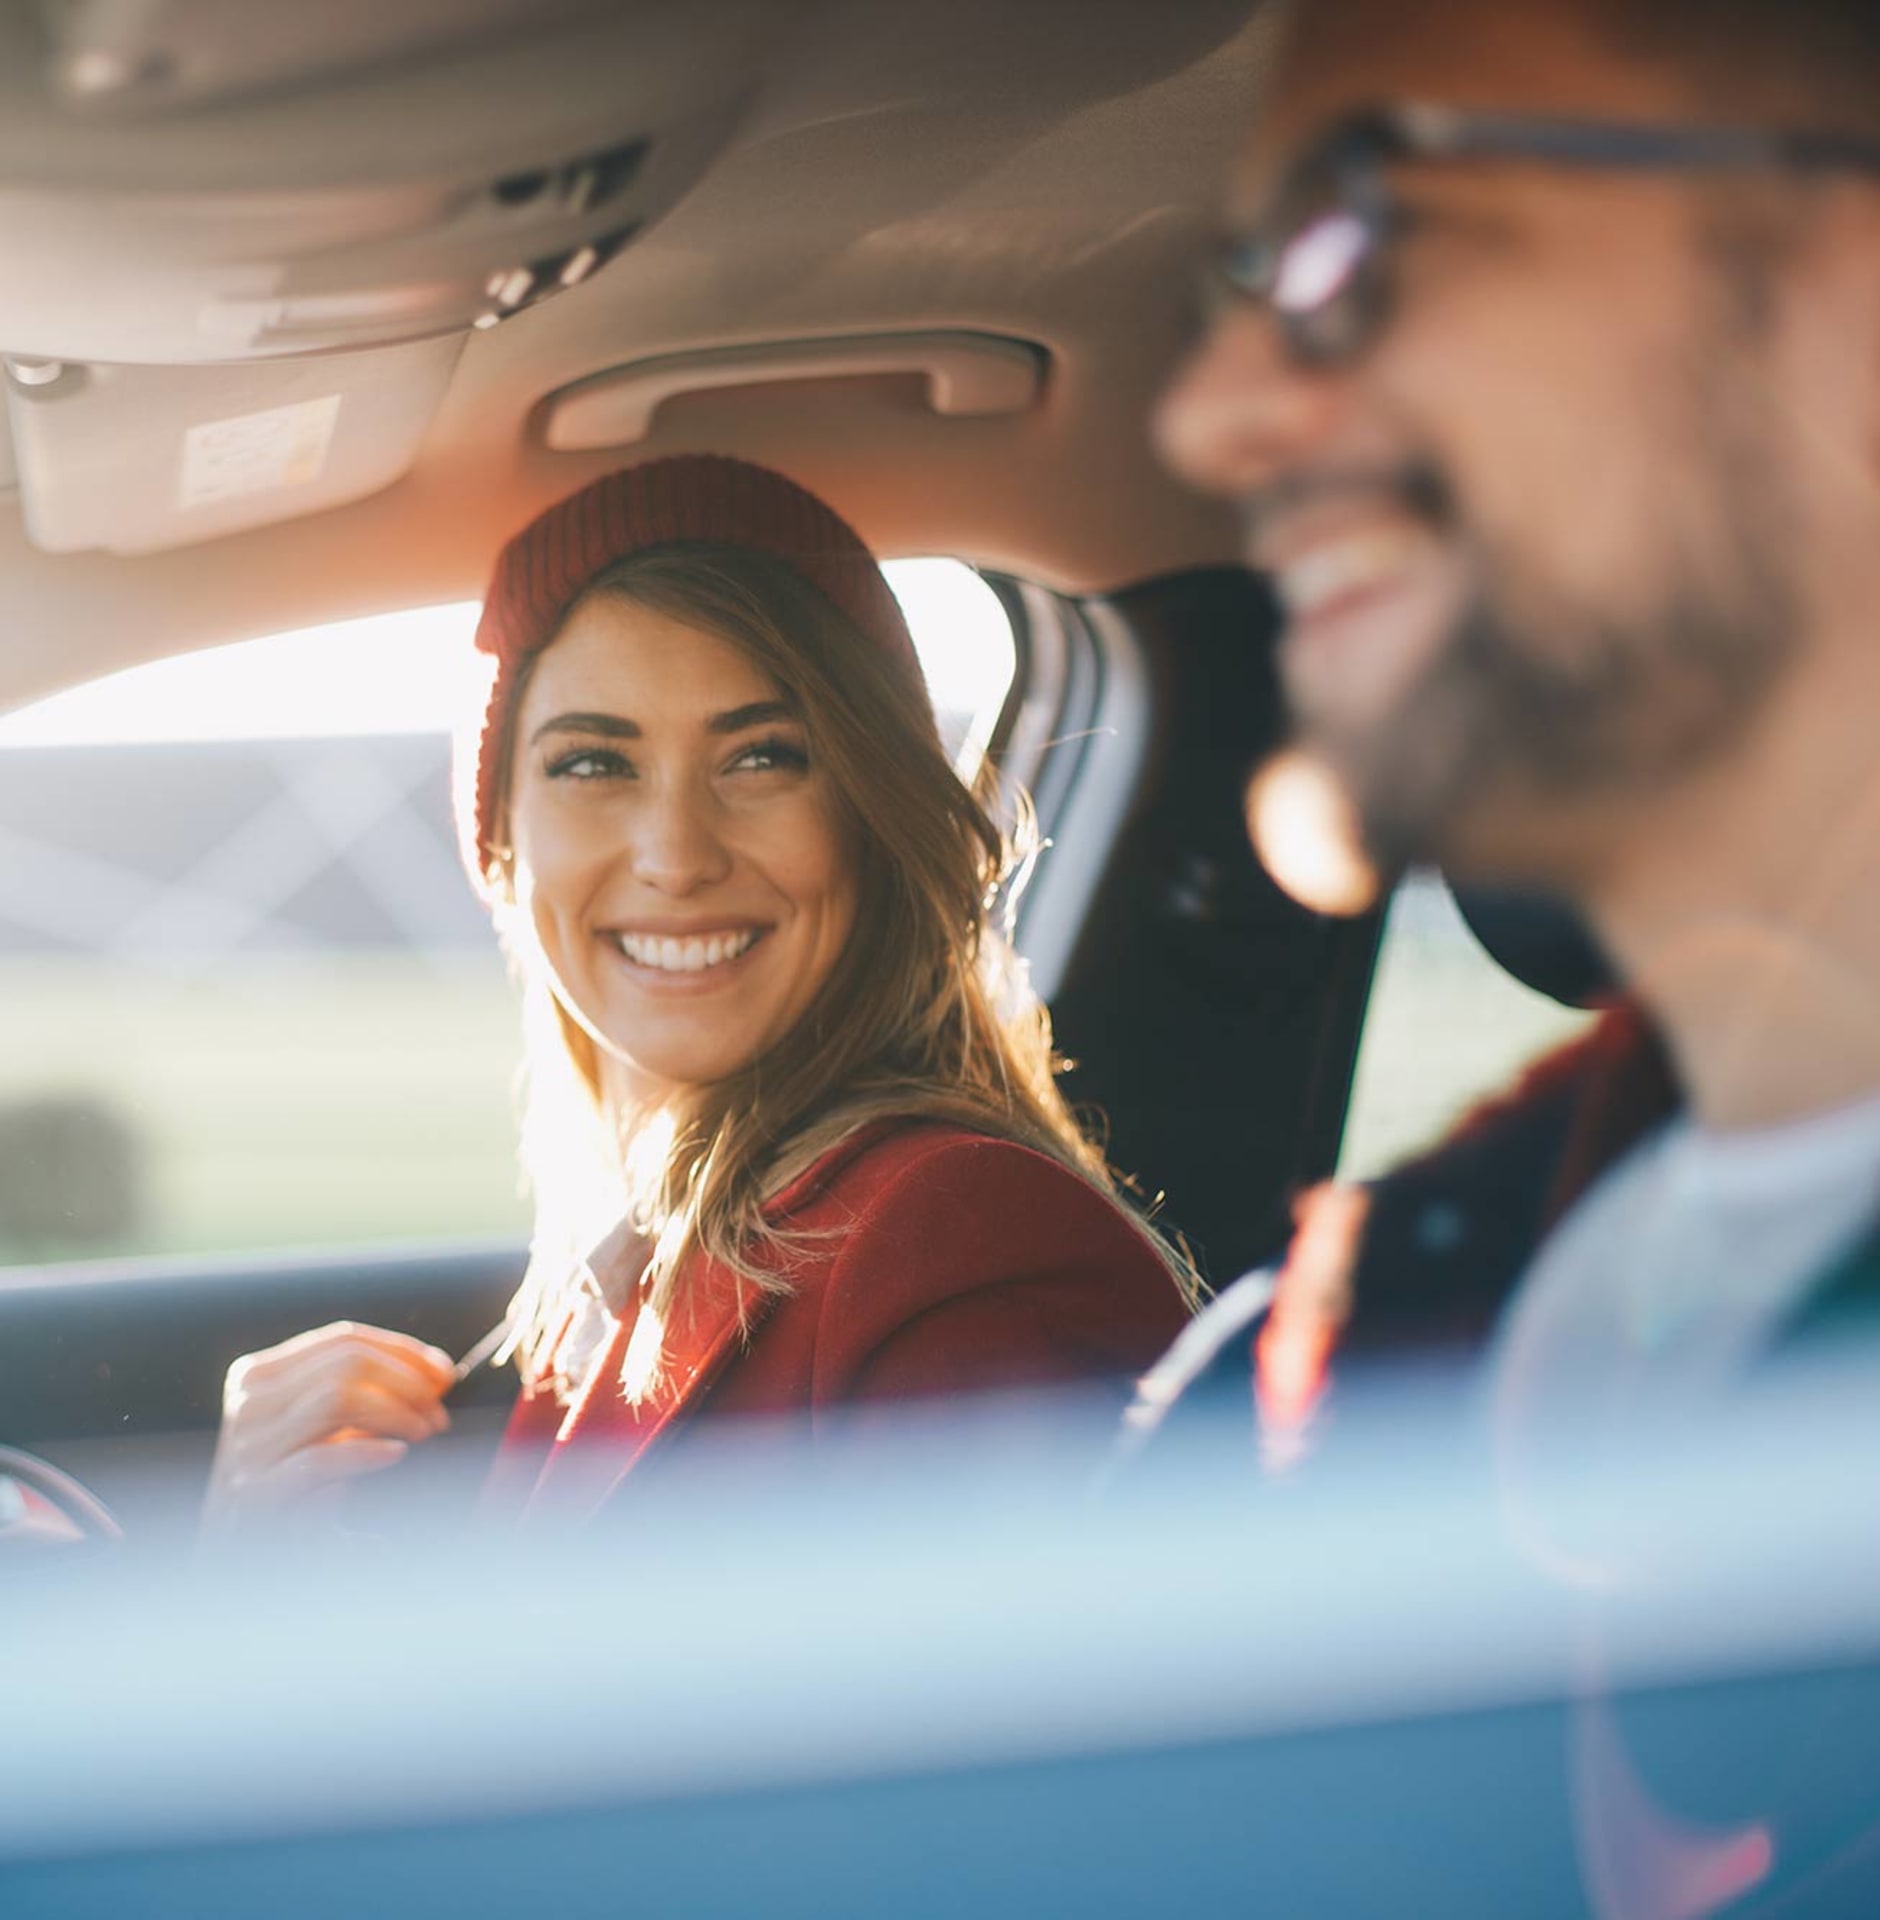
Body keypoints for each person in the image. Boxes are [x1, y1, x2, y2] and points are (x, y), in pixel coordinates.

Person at [206, 454, 1194, 1529]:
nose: (675, 856)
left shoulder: (959, 1244)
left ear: (875, 816)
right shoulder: (628, 1254)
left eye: (762, 757)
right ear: (500, 839)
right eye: (593, 764)